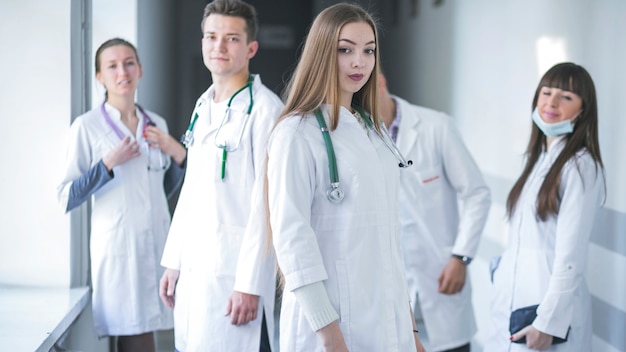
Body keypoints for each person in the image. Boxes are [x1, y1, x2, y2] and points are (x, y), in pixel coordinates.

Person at [262, 3, 426, 351]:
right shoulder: (296, 134)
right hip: (329, 327)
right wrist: (329, 335)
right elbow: (292, 241)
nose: (359, 62)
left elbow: (389, 246)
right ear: (322, 53)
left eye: (369, 51)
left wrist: (411, 333)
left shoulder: (373, 131)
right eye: (345, 50)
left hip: (388, 322)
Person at [158, 0, 284, 351]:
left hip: (234, 278)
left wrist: (250, 284)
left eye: (231, 38)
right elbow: (192, 190)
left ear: (251, 48)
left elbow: (266, 207)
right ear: (202, 43)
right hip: (196, 271)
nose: (219, 46)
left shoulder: (266, 111)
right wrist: (173, 261)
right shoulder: (203, 106)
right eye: (212, 36)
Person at [57, 38, 187, 352]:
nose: (122, 72)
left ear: (140, 70)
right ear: (100, 77)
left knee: (146, 330)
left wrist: (177, 153)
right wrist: (107, 164)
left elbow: (163, 187)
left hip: (157, 245)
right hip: (118, 250)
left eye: (129, 63)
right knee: (133, 334)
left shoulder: (157, 124)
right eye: (112, 66)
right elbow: (66, 197)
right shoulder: (86, 127)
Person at [484, 62, 605, 351]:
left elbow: (570, 257)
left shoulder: (580, 166)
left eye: (566, 97)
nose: (551, 102)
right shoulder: (538, 160)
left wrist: (547, 322)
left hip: (547, 315)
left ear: (583, 110)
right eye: (547, 92)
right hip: (514, 303)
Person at [378, 73, 491, 352]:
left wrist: (460, 256)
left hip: (441, 276)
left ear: (381, 81)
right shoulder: (356, 137)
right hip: (387, 290)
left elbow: (477, 193)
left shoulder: (436, 126)